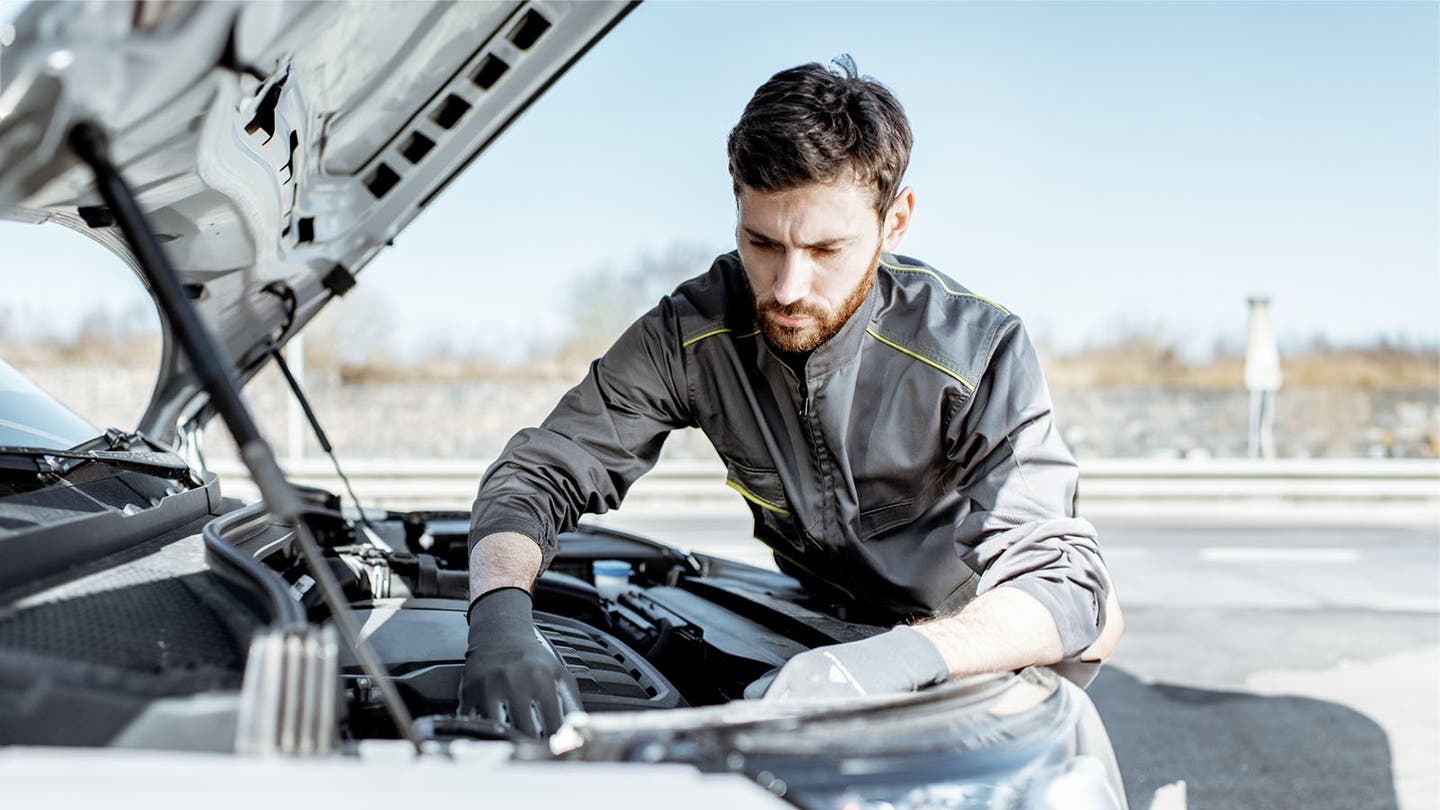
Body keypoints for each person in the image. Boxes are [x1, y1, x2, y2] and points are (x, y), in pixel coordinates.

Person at [459, 57, 1122, 738]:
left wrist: (897, 658)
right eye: (762, 243)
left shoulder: (975, 351)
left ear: (896, 223)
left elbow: (1065, 581)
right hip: (813, 624)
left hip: (968, 649)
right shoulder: (691, 333)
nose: (786, 287)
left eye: (827, 249)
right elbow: (540, 472)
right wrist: (500, 618)